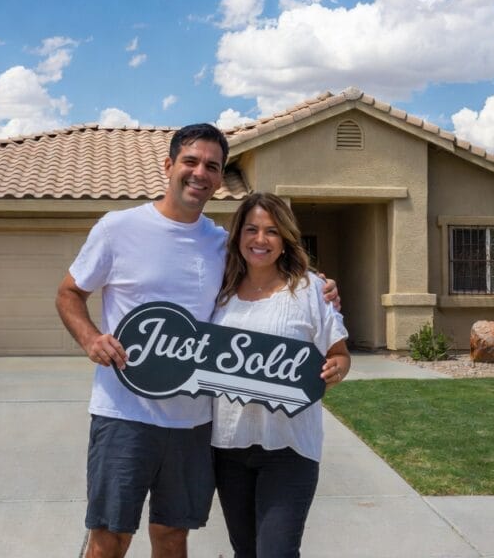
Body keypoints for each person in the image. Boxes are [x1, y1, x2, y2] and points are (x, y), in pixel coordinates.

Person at [55, 124, 337, 558]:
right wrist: (91, 338)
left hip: (193, 422)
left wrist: (319, 286)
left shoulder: (222, 245)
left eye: (211, 166)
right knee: (109, 537)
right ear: (169, 165)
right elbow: (69, 293)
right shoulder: (118, 228)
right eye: (190, 161)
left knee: (172, 536)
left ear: (219, 178)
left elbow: (269, 276)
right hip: (124, 414)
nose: (199, 173)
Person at [211, 192, 350, 558]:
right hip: (228, 446)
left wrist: (338, 367)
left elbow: (339, 353)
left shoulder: (311, 290)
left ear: (285, 238)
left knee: (277, 552)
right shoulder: (219, 293)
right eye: (252, 229)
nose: (260, 240)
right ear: (238, 235)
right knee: (245, 552)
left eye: (271, 231)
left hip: (290, 447)